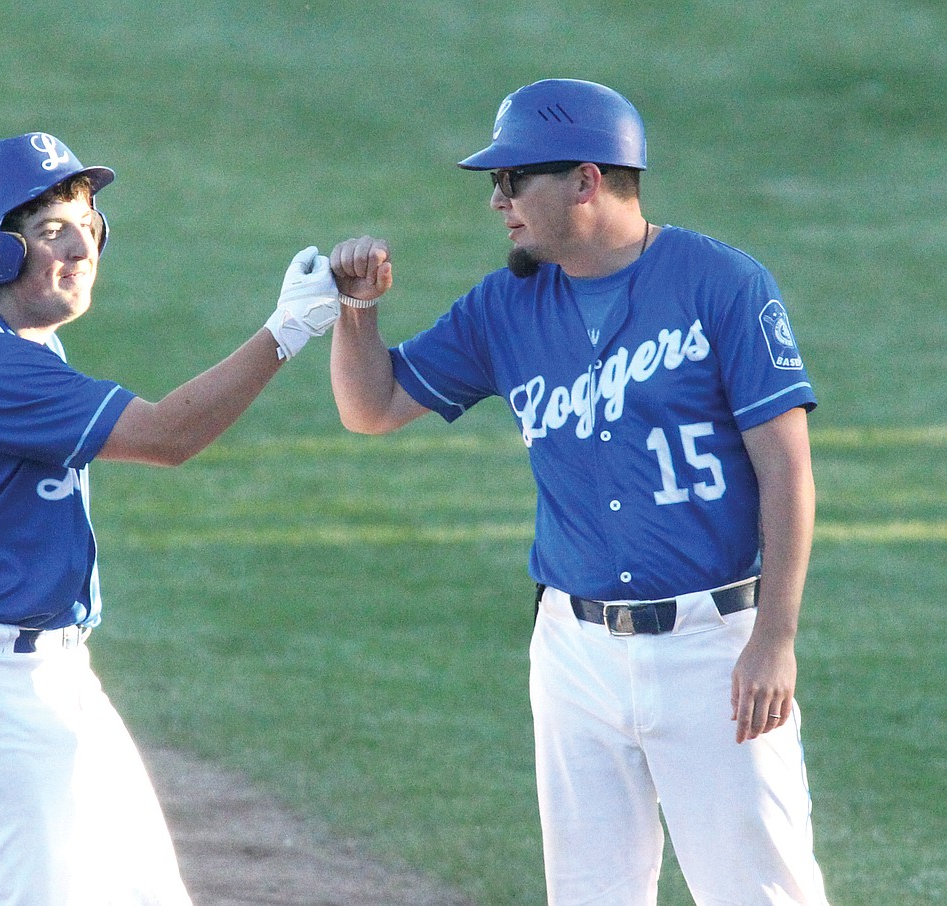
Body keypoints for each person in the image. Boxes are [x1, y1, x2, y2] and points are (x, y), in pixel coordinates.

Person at [328, 79, 829, 904]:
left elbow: (787, 466)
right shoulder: (506, 305)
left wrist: (774, 637)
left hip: (717, 648)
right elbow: (371, 407)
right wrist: (358, 312)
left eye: (513, 180)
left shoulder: (722, 284)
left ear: (587, 180)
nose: (498, 203)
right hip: (572, 653)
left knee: (760, 893)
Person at [0, 132, 339, 906]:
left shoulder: (27, 346)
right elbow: (168, 436)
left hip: (58, 677)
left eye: (86, 224)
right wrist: (286, 331)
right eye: (50, 230)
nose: (81, 246)